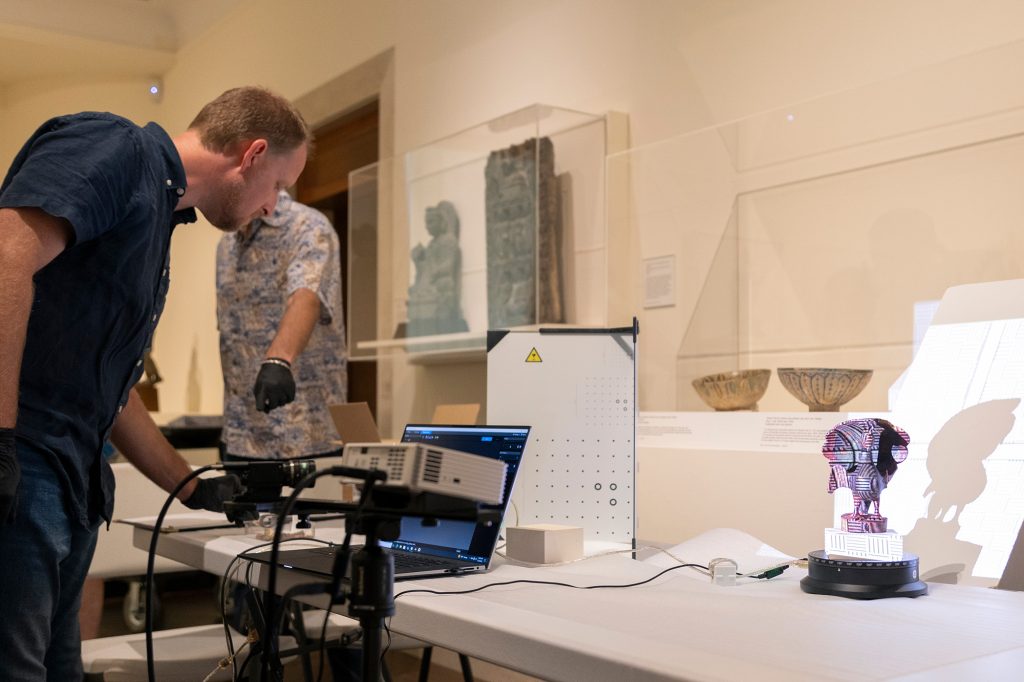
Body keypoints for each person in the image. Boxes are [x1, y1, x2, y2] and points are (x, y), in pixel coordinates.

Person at [0, 86, 311, 679]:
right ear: (251, 155)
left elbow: (108, 390)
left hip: (71, 477)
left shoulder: (158, 216)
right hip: (29, 459)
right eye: (278, 184)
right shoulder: (118, 148)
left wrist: (191, 487)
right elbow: (5, 257)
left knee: (59, 668)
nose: (274, 206)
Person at [216, 189, 347, 462]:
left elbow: (306, 296)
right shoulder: (227, 243)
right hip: (240, 435)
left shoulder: (308, 227)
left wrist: (279, 360)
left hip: (302, 438)